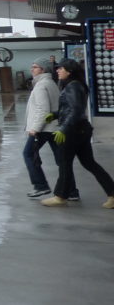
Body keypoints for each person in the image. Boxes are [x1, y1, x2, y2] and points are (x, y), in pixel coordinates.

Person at [42, 59, 114, 208]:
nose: (57, 71)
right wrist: (56, 114)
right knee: (89, 163)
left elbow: (76, 110)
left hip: (72, 131)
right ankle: (112, 194)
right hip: (81, 129)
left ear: (69, 71)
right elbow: (72, 109)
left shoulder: (72, 87)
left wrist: (63, 128)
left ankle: (61, 196)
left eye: (60, 68)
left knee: (64, 163)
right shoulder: (76, 85)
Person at [24, 58, 71, 198]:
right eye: (32, 66)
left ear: (43, 70)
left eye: (35, 67)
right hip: (54, 127)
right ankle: (72, 191)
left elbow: (43, 110)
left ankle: (40, 185)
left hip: (43, 129)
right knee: (61, 161)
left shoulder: (41, 85)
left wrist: (35, 129)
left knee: (28, 154)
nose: (32, 69)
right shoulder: (51, 83)